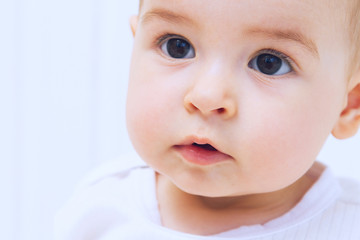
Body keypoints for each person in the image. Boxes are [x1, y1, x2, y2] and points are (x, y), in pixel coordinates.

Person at [55, 0, 360, 239]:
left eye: (269, 64)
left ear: (347, 104)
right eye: (177, 46)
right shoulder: (101, 209)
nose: (206, 96)